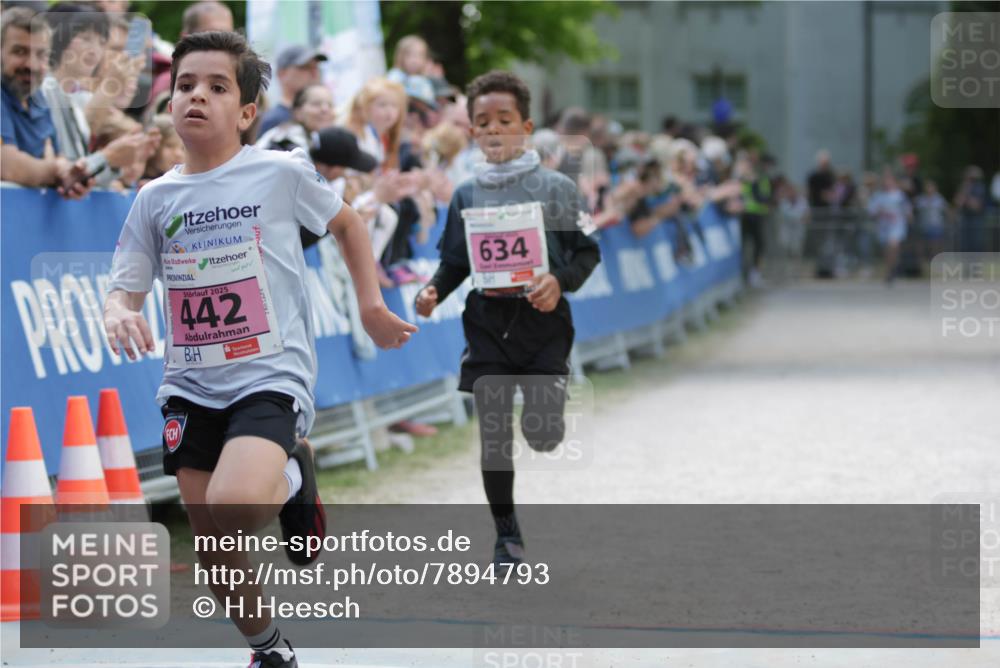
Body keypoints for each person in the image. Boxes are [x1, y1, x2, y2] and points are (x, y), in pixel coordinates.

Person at [102, 31, 415, 668]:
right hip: (189, 384)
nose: (197, 96)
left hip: (268, 374)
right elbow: (125, 287)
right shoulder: (154, 198)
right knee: (214, 543)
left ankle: (294, 476)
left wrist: (371, 304)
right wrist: (117, 313)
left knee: (234, 509)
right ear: (170, 101)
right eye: (186, 84)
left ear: (247, 112)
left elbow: (349, 222)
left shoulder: (277, 173)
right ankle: (268, 652)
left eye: (217, 87)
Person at [414, 70, 601, 567]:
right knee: (493, 432)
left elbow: (587, 254)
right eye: (482, 122)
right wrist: (435, 289)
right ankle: (506, 536)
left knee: (542, 435)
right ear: (472, 131)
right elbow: (455, 261)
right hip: (488, 326)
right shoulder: (466, 195)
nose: (493, 130)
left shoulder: (558, 188)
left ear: (526, 125)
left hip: (544, 326)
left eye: (504, 120)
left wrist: (558, 281)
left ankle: (548, 421)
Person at [0, 6, 92, 197]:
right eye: (19, 52)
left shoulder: (38, 98)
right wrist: (54, 170)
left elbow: (60, 159)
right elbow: (8, 167)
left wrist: (70, 177)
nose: (31, 65)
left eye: (41, 55)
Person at [257, 45, 326, 135]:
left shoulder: (323, 114)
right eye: (305, 67)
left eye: (316, 68)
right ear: (282, 74)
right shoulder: (274, 121)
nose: (314, 73)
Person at [255, 83, 334, 152]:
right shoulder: (286, 140)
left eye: (330, 105)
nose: (325, 109)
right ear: (297, 113)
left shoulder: (316, 139)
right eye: (316, 104)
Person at [867, 169, 911, 285]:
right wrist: (878, 211)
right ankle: (890, 270)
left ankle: (892, 270)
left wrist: (909, 216)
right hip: (883, 227)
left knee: (894, 245)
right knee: (887, 251)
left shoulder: (899, 195)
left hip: (896, 226)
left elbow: (907, 209)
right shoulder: (878, 196)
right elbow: (871, 212)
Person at [914, 179, 948, 261]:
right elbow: (915, 211)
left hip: (936, 226)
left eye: (931, 187)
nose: (929, 189)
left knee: (935, 247)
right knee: (921, 247)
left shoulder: (940, 199)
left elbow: (946, 210)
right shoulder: (920, 199)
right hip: (923, 227)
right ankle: (923, 265)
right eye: (928, 187)